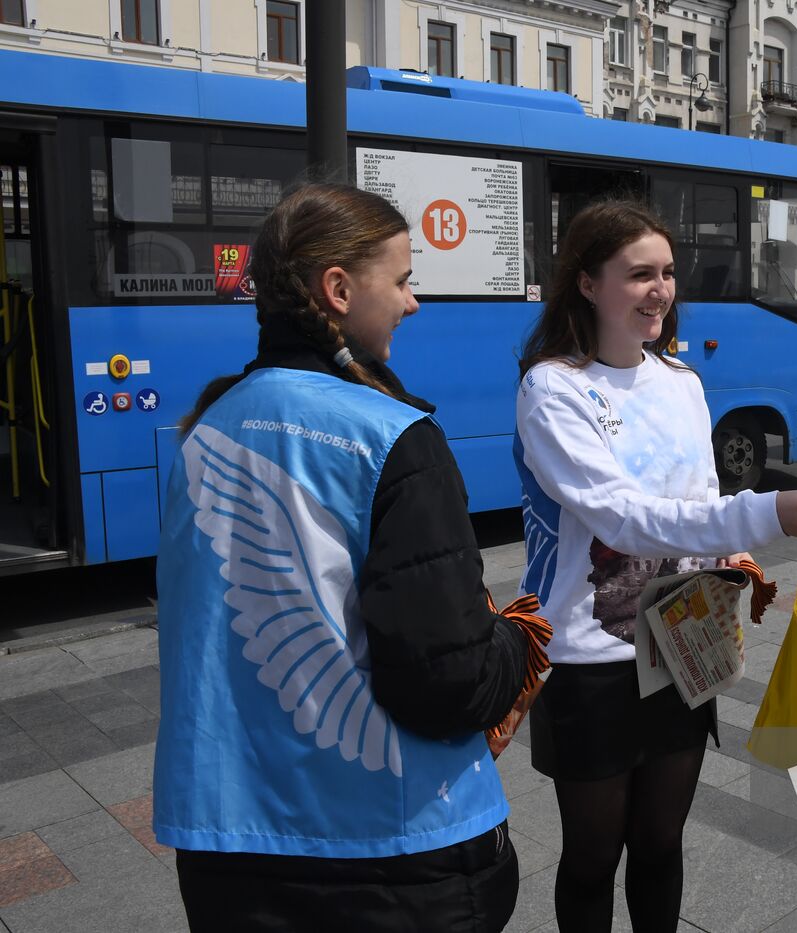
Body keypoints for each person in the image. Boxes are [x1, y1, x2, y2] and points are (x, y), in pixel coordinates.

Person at [154, 183, 544, 932]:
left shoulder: (204, 433)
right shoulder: (390, 435)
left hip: (225, 850)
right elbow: (447, 680)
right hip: (390, 854)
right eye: (400, 279)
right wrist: (512, 642)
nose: (412, 301)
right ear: (338, 289)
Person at [514, 198, 797, 933]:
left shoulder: (682, 382)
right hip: (587, 657)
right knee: (594, 854)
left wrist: (730, 555)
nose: (659, 289)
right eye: (638, 274)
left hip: (680, 639)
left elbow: (696, 498)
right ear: (588, 284)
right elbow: (619, 518)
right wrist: (765, 511)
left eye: (666, 272)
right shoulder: (553, 387)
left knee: (662, 841)